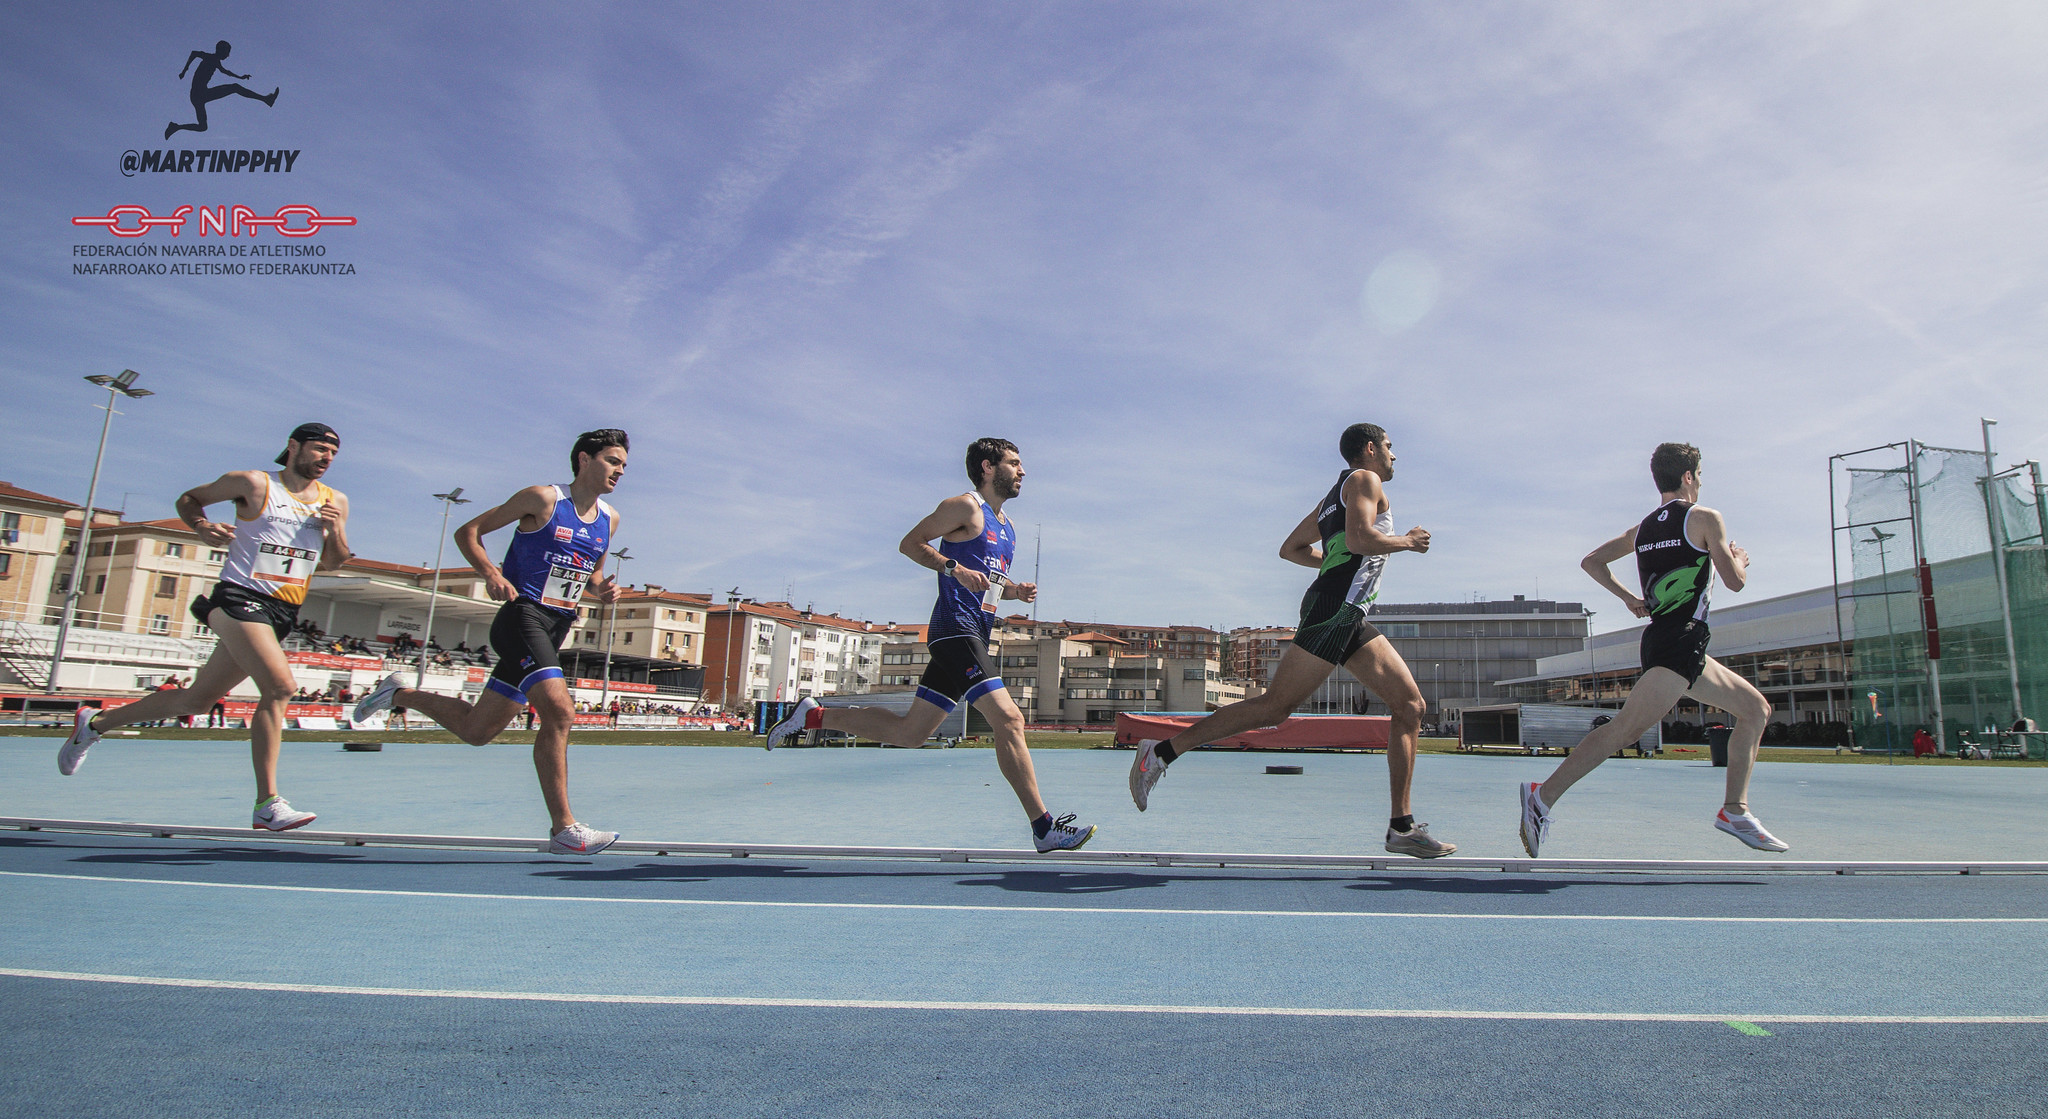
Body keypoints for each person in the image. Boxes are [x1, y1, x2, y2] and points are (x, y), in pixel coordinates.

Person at [1124, 423, 1455, 858]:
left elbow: (1292, 549)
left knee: (1410, 706)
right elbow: (1359, 538)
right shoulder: (1364, 479)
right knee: (1274, 707)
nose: (1395, 456)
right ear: (1370, 449)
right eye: (1390, 447)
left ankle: (1401, 826)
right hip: (1335, 609)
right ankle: (1161, 751)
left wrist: (1334, 563)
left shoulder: (1330, 500)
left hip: (1347, 612)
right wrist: (1406, 541)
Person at [764, 437, 1095, 853]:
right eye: (1015, 462)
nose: (1023, 470)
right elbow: (911, 544)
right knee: (1009, 720)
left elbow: (986, 581)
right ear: (989, 467)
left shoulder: (1006, 527)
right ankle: (1043, 827)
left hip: (977, 630)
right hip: (955, 630)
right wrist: (951, 567)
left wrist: (1013, 592)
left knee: (911, 733)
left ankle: (815, 716)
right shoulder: (965, 506)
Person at [59, 424, 352, 831]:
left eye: (332, 454)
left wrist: (335, 528)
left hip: (284, 611)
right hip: (238, 597)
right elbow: (190, 498)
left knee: (197, 701)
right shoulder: (252, 482)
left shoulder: (334, 500)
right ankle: (267, 803)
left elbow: (335, 562)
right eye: (319, 449)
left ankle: (93, 724)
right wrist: (199, 525)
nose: (326, 459)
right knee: (281, 687)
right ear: (293, 447)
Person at [354, 429, 628, 856]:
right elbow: (470, 531)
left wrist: (602, 590)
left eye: (624, 465)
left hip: (557, 625)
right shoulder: (543, 499)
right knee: (559, 710)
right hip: (522, 617)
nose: (620, 471)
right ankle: (564, 828)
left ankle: (399, 693)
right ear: (583, 459)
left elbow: (591, 574)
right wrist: (491, 574)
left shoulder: (609, 518)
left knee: (477, 730)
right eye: (612, 461)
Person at [1518, 442, 1786, 857]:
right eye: (1700, 475)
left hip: (1679, 641)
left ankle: (1735, 809)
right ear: (1689, 477)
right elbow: (1734, 582)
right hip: (1679, 640)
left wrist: (1629, 598)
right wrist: (1739, 559)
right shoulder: (1705, 518)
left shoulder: (1641, 530)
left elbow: (1592, 562)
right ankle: (1542, 796)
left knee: (1755, 710)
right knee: (1625, 729)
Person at [165, 40, 277, 140]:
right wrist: (185, 70)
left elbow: (225, 72)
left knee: (203, 127)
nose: (228, 55)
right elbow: (194, 53)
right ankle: (266, 99)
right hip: (200, 94)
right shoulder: (210, 57)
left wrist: (240, 77)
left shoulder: (215, 61)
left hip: (197, 96)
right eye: (227, 52)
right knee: (235, 87)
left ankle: (176, 127)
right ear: (222, 51)